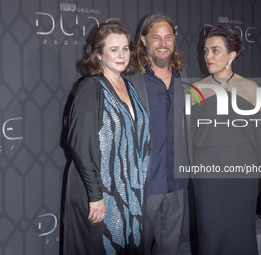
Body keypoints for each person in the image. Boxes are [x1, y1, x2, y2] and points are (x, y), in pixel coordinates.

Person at [190, 25, 261, 254]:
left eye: (215, 50)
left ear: (232, 55)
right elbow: (188, 140)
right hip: (207, 178)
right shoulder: (195, 90)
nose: (208, 56)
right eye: (206, 51)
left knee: (241, 237)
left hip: (242, 176)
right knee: (209, 237)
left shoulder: (250, 88)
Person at [62, 22, 151, 255]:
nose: (121, 55)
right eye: (113, 49)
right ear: (98, 55)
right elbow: (81, 146)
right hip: (99, 193)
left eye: (125, 48)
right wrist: (95, 196)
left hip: (129, 191)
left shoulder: (129, 87)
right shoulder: (91, 88)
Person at [126, 13, 190, 255]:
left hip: (177, 183)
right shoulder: (131, 80)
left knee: (170, 250)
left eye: (168, 37)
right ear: (143, 40)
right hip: (144, 185)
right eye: (156, 37)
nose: (163, 43)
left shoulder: (186, 76)